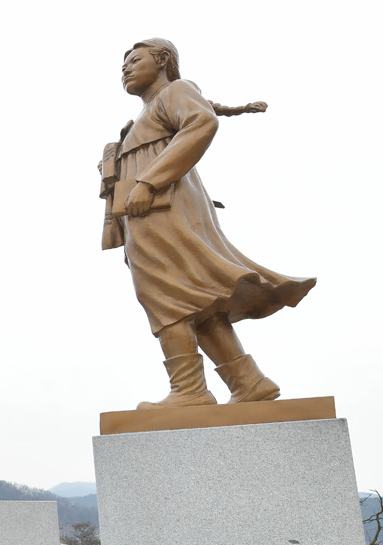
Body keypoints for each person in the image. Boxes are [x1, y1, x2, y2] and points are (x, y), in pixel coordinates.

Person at [102, 38, 313, 408]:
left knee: (164, 293)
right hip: (148, 211)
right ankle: (248, 381)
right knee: (191, 297)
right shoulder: (145, 115)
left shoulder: (175, 91)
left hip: (155, 205)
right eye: (123, 65)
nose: (126, 69)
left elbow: (202, 122)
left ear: (162, 60)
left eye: (135, 60)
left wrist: (149, 182)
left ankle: (189, 390)